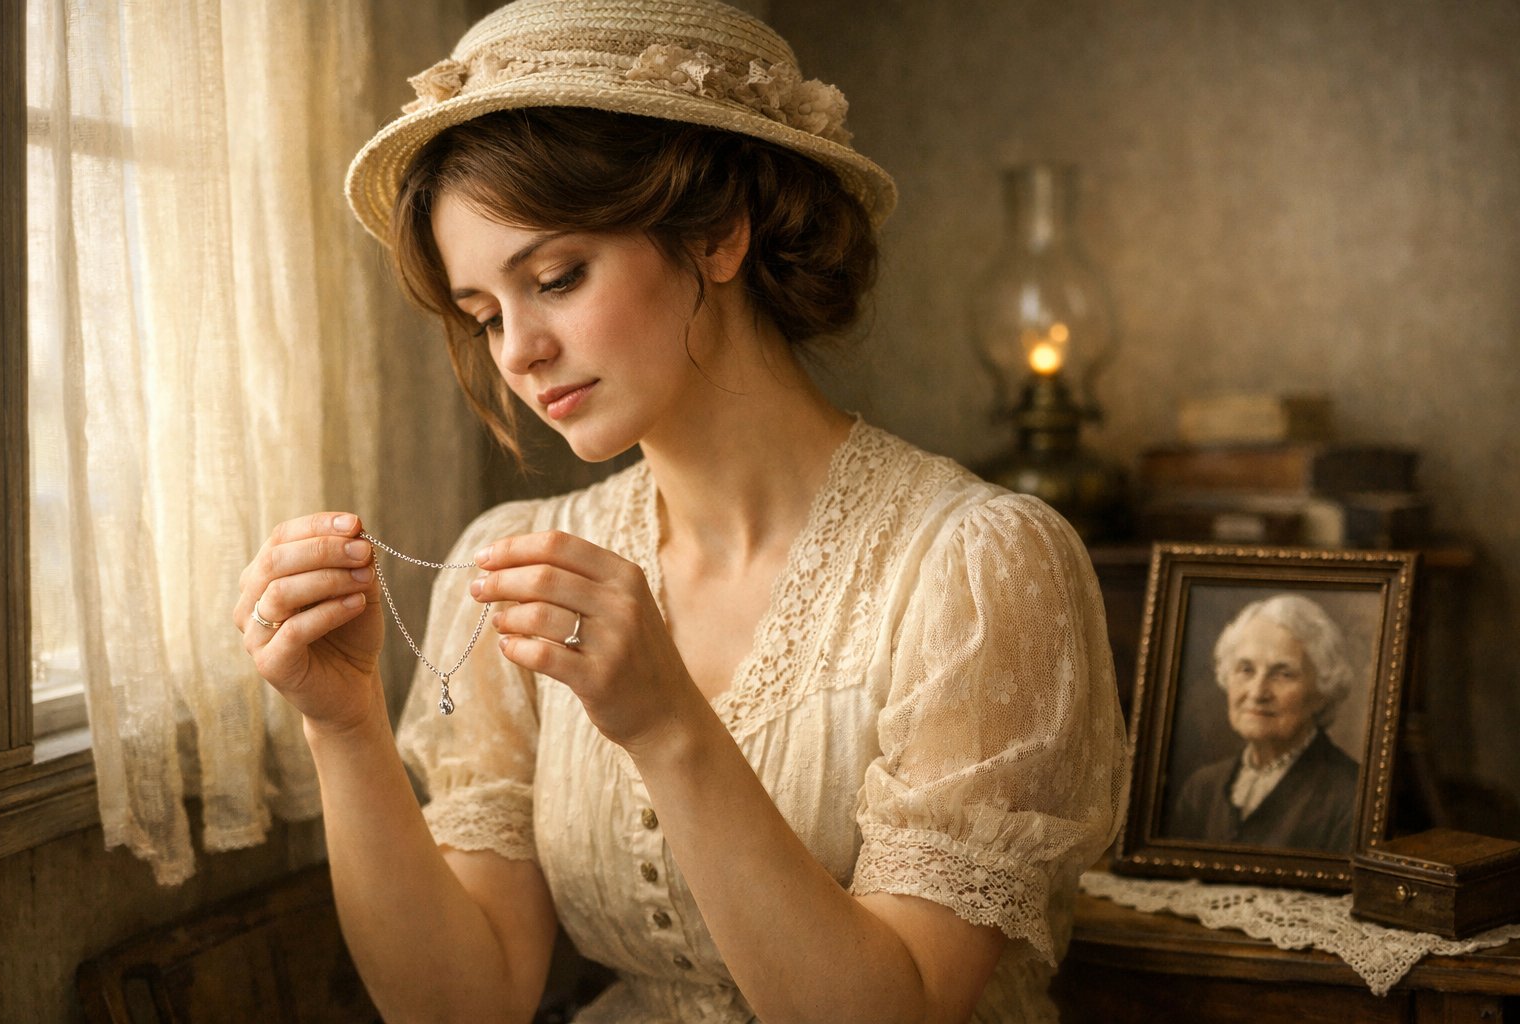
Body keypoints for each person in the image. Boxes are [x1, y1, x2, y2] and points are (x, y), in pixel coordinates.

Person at [235, 1, 1126, 1020]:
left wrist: (666, 725)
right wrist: (342, 726)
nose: (518, 350)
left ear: (715, 234)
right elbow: (462, 1006)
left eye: (557, 278)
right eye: (484, 316)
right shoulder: (512, 564)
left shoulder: (978, 566)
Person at [1166, 593, 1360, 852]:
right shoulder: (1202, 789)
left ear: (1322, 692)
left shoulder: (1351, 795)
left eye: (1283, 674)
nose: (1258, 693)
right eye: (1246, 669)